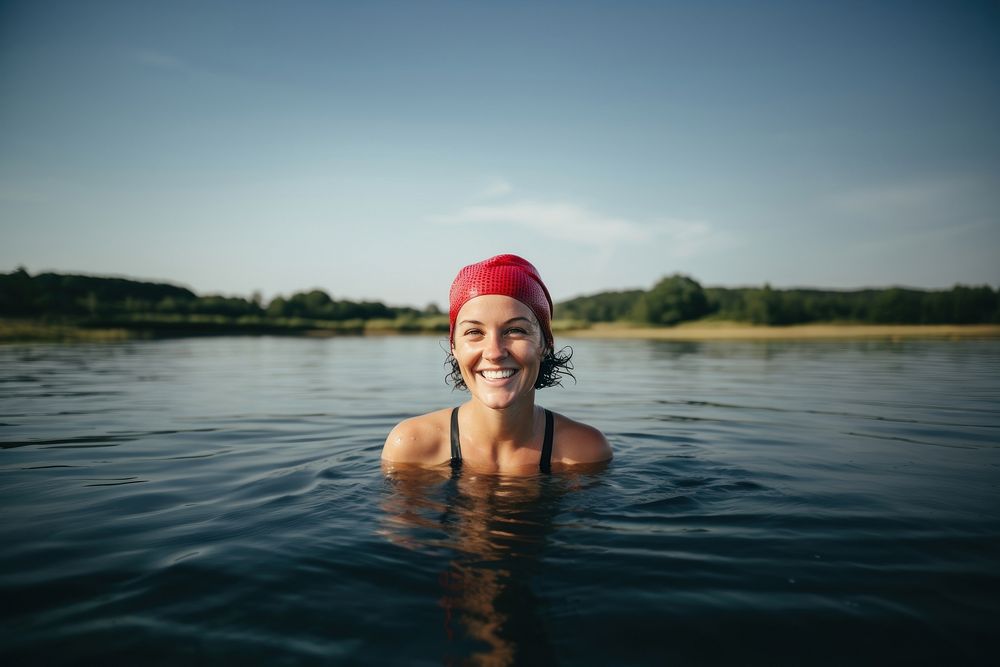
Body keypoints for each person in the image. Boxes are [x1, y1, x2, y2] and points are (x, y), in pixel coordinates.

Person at [382, 254, 612, 474]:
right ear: (454, 347)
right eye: (474, 332)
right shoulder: (412, 447)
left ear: (546, 344)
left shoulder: (584, 451)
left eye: (515, 330)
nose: (494, 352)